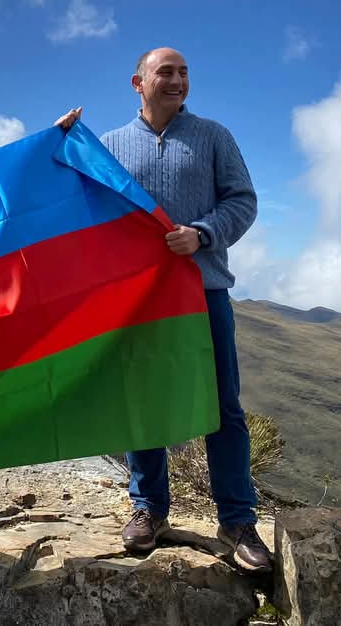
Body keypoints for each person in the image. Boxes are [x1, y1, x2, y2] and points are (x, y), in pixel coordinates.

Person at [55, 46, 272, 573]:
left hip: (204, 291)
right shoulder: (107, 146)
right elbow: (75, 206)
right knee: (142, 403)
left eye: (183, 73)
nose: (176, 81)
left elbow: (242, 201)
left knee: (223, 407)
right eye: (165, 73)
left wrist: (202, 234)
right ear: (138, 83)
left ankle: (238, 520)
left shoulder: (214, 136)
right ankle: (149, 508)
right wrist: (57, 147)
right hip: (137, 299)